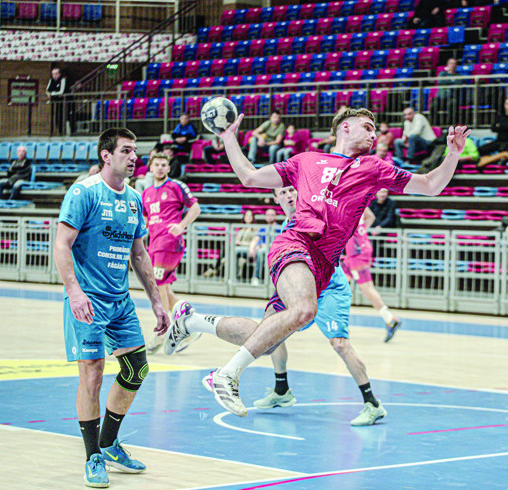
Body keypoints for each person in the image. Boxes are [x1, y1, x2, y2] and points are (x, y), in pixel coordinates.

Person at [173, 107, 468, 418]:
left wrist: (452, 154)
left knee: (267, 340)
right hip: (296, 242)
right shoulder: (306, 160)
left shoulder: (373, 167)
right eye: (367, 127)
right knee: (304, 309)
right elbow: (249, 176)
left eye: (374, 129)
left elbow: (431, 185)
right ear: (345, 128)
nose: (373, 134)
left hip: (324, 265)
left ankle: (191, 322)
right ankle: (227, 375)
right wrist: (229, 138)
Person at [166, 186, 389, 425]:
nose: (289, 195)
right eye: (283, 192)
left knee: (340, 344)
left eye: (292, 190)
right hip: (301, 289)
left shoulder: (315, 213)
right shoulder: (285, 230)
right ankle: (195, 324)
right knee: (267, 334)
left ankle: (372, 404)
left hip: (329, 289)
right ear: (275, 198)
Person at [54, 128, 170, 488]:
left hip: (120, 301)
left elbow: (140, 254)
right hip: (87, 299)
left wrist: (156, 301)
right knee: (92, 373)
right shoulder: (84, 192)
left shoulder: (134, 199)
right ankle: (92, 456)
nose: (134, 157)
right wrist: (74, 292)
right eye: (126, 150)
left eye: (135, 151)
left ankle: (108, 443)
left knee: (136, 369)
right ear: (106, 155)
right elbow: (62, 244)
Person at [141, 151, 201, 353]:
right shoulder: (146, 193)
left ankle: (163, 331)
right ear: (150, 168)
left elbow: (195, 208)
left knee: (158, 287)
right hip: (154, 244)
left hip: (169, 242)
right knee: (164, 289)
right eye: (156, 164)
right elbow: (146, 220)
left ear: (168, 168)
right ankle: (191, 326)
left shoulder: (176, 186)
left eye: (163, 165)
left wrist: (182, 225)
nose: (159, 168)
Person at [342, 212, 402, 343]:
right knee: (341, 285)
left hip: (357, 252)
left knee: (366, 288)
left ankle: (390, 319)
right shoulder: (360, 200)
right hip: (359, 248)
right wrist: (360, 231)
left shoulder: (345, 202)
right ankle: (342, 323)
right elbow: (371, 216)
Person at [477, 97, 508, 166]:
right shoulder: (501, 116)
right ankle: (489, 160)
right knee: (481, 149)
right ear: (505, 105)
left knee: (507, 150)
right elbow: (493, 128)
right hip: (499, 140)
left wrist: (500, 126)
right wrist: (502, 126)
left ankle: (488, 161)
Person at [249, 208, 281, 285]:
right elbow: (255, 239)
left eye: (272, 215)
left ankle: (256, 277)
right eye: (268, 215)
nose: (270, 217)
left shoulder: (279, 228)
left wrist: (261, 246)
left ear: (275, 216)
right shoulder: (263, 228)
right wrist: (251, 249)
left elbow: (278, 242)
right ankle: (233, 278)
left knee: (261, 252)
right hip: (261, 249)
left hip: (273, 250)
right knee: (236, 250)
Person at [234, 209, 259, 281]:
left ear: (253, 217)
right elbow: (236, 240)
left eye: (250, 215)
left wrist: (242, 243)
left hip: (249, 250)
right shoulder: (241, 228)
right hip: (240, 249)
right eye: (246, 215)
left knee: (233, 251)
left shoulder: (255, 229)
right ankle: (233, 276)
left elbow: (254, 242)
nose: (248, 217)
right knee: (228, 249)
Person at [46, 67, 68, 136]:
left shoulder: (62, 80)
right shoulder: (51, 80)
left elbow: (61, 91)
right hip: (54, 101)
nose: (54, 76)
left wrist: (52, 94)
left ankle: (62, 132)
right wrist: (49, 93)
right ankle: (54, 131)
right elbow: (47, 91)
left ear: (59, 74)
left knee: (61, 116)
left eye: (56, 74)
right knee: (55, 116)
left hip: (62, 101)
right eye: (53, 74)